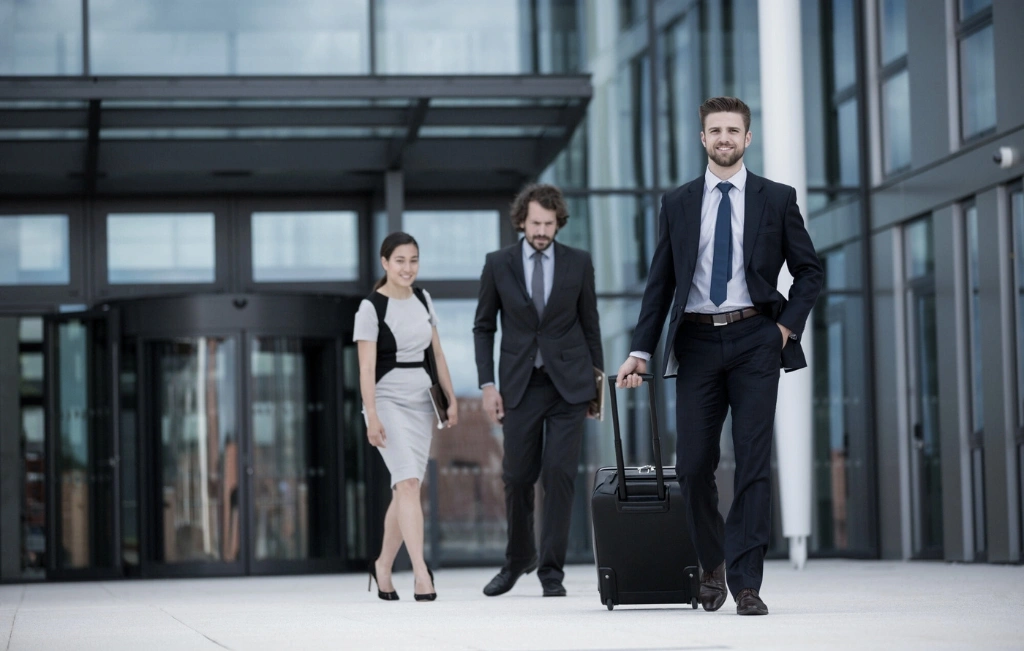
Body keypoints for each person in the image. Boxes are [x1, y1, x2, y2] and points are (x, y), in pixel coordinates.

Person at [615, 97, 823, 616]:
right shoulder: (678, 202)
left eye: (733, 130)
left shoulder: (777, 198)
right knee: (692, 465)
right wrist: (640, 350)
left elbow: (809, 271)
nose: (724, 138)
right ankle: (712, 565)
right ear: (702, 138)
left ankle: (747, 582)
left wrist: (783, 329)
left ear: (747, 138)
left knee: (753, 461)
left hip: (756, 339)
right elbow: (660, 283)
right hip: (698, 343)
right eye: (715, 130)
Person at [474, 183, 603, 598]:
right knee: (516, 476)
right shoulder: (498, 264)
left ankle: (552, 571)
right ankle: (517, 559)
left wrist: (596, 387)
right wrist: (487, 385)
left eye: (549, 224)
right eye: (535, 223)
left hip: (569, 387)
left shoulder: (578, 263)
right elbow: (484, 327)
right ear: (521, 221)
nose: (542, 230)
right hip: (520, 385)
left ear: (558, 223)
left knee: (560, 476)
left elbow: (590, 325)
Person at [355, 231, 458, 602]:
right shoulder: (370, 309)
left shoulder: (423, 298)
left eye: (413, 260)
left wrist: (450, 397)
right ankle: (420, 573)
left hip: (421, 402)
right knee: (409, 484)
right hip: (387, 401)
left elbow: (439, 354)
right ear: (385, 263)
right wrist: (372, 417)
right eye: (400, 260)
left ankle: (383, 565)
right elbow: (365, 369)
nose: (407, 267)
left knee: (404, 488)